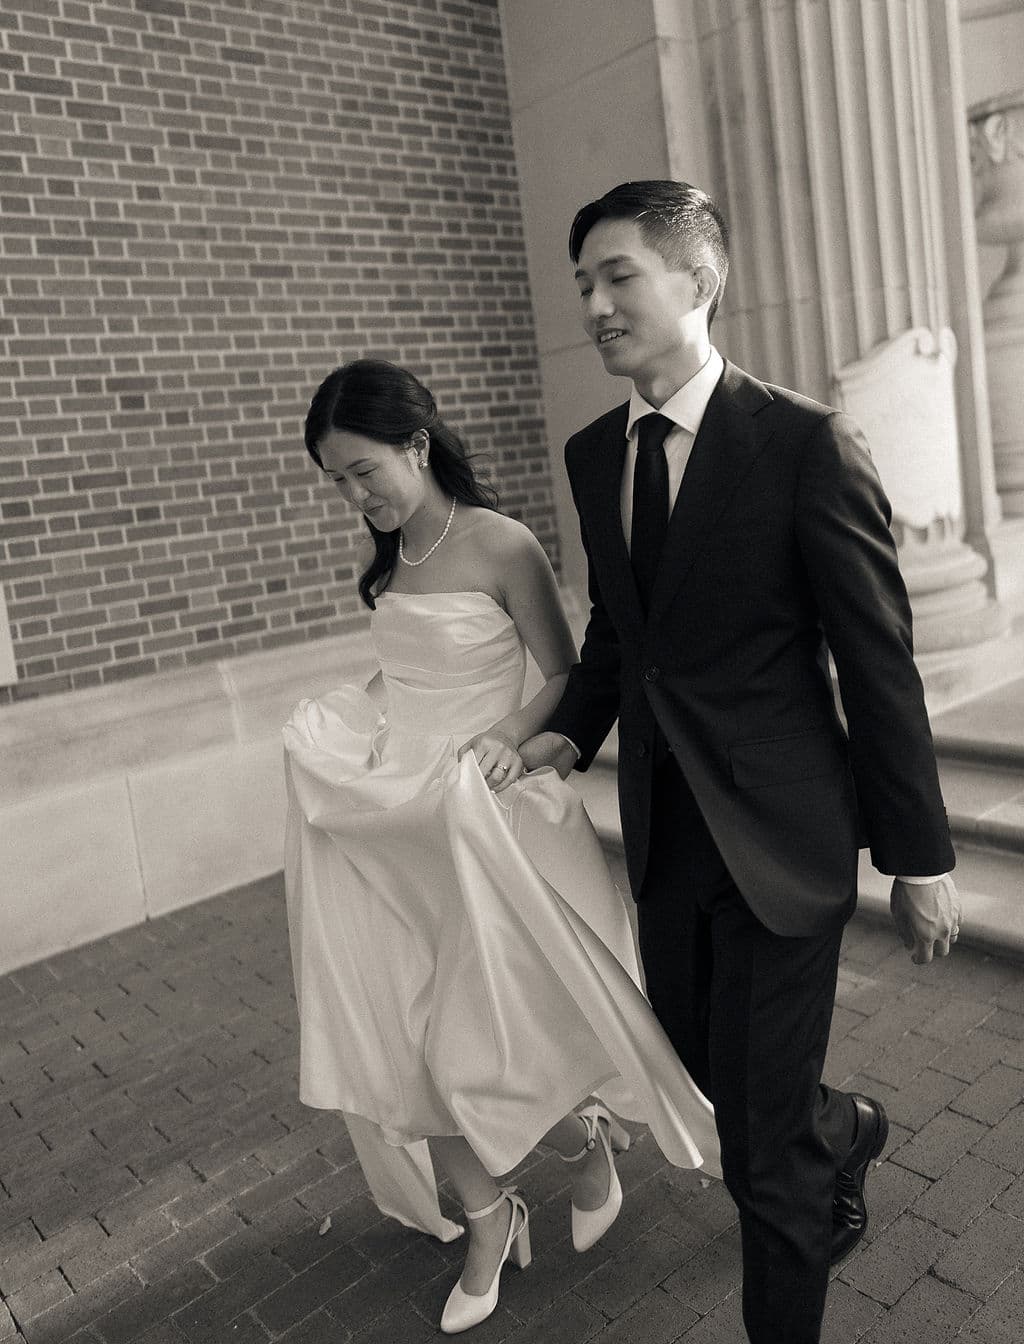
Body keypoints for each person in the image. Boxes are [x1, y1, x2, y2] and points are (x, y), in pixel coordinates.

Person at [519, 181, 963, 1344]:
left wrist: (917, 857)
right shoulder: (590, 455)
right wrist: (558, 735)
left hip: (784, 841)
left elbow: (877, 662)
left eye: (619, 276)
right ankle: (847, 1127)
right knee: (719, 1085)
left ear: (698, 280)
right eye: (584, 285)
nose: (596, 304)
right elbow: (623, 640)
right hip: (666, 841)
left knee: (758, 1159)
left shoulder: (805, 442)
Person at [282, 358, 720, 1336]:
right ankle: (489, 1219)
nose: (354, 496)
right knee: (403, 1035)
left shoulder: (501, 544)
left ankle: (590, 1146)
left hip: (495, 809)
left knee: (522, 1028)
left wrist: (499, 746)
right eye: (336, 481)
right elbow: (408, 682)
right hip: (405, 819)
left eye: (362, 471)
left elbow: (567, 675)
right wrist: (342, 724)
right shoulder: (390, 560)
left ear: (416, 445)